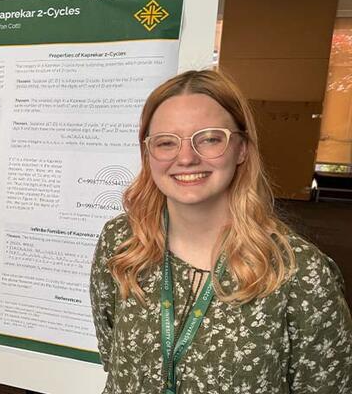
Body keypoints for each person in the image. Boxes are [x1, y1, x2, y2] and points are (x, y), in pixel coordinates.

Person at [90, 70, 352, 393]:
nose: (186, 158)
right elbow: (112, 355)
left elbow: (327, 386)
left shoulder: (298, 272)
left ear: (241, 149)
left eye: (210, 138)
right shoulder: (122, 243)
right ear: (148, 153)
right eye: (166, 142)